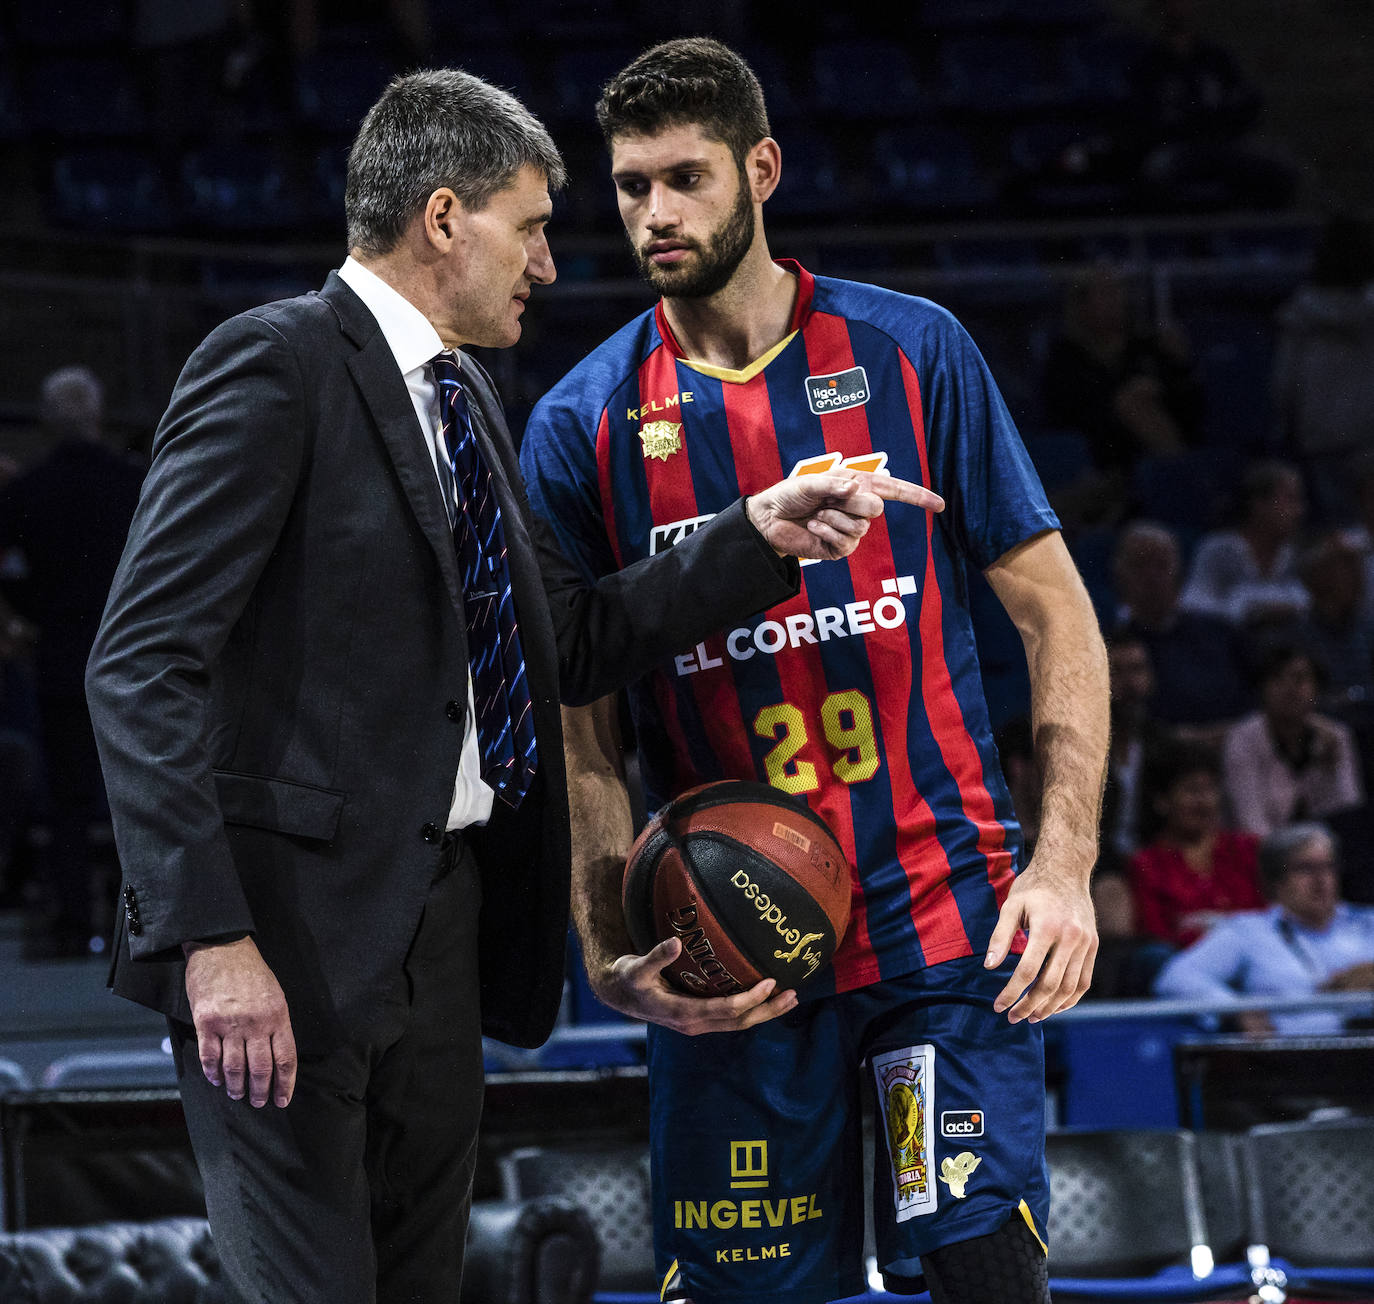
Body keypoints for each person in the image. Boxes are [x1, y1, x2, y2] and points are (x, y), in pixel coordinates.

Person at [83, 68, 940, 1304]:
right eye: (532, 225)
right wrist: (211, 937)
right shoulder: (275, 363)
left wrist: (757, 530)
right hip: (281, 940)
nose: (548, 262)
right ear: (445, 218)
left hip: (442, 929)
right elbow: (139, 659)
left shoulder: (469, 398)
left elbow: (572, 640)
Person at [519, 38, 1108, 1304]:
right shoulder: (580, 422)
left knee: (985, 1267)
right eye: (630, 187)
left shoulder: (913, 351)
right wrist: (610, 944)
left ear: (761, 168)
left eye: (684, 178)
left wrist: (1061, 868)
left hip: (940, 923)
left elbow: (1059, 617)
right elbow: (582, 728)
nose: (656, 214)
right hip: (730, 952)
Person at [0, 365, 146, 956]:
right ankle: (139, 923)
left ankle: (72, 923)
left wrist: (38, 616)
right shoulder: (132, 484)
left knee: (68, 799)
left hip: (61, 658)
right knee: (136, 793)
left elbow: (11, 575)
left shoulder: (25, 492)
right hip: (134, 656)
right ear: (97, 415)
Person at [1154, 821, 1374, 1036]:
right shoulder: (1250, 931)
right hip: (1288, 1058)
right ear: (1277, 880)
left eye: (1328, 866)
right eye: (1306, 869)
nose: (1321, 879)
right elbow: (1177, 977)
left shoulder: (1368, 923)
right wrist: (1236, 1009)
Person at [1040, 261, 1203, 476]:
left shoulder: (1146, 346)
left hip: (1147, 445)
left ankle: (1181, 471)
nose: (1116, 301)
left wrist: (1180, 364)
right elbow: (1070, 409)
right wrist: (1121, 399)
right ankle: (1187, 474)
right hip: (1099, 449)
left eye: (1118, 291)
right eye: (1105, 293)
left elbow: (1188, 401)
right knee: (1130, 404)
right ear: (1081, 305)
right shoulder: (1065, 355)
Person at [1271, 215, 1374, 523]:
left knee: (1342, 532)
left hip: (1324, 441)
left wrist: (1285, 427)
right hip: (1353, 440)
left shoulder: (1301, 313)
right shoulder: (1302, 315)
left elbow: (1283, 385)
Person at [1111, 519, 1251, 739]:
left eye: (1161, 565)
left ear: (1179, 572)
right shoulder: (1113, 650)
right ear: (1120, 575)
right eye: (1140, 565)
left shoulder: (1222, 633)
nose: (1151, 577)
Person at [1128, 738, 1264, 948]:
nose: (1203, 802)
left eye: (1209, 789)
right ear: (1162, 801)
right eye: (1191, 790)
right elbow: (1156, 938)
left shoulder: (1248, 849)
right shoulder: (1147, 865)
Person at [1221, 641, 1364, 837]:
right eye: (1277, 678)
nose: (1289, 688)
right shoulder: (1243, 739)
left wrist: (1330, 769)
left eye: (1300, 679)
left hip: (1323, 853)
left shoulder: (1336, 735)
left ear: (1317, 688)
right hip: (1262, 854)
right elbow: (1249, 821)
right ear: (1262, 688)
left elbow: (1348, 811)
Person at [1178, 458, 1310, 628]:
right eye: (1290, 500)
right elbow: (1193, 605)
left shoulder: (1292, 554)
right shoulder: (1218, 550)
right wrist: (1250, 611)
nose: (1299, 511)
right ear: (1259, 504)